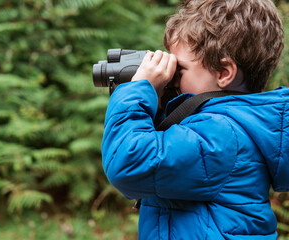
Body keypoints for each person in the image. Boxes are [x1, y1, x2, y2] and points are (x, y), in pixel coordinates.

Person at [101, 0, 288, 239]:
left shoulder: (221, 134)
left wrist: (138, 89)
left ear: (223, 73)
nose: (172, 79)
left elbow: (128, 162)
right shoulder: (231, 126)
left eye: (180, 69)